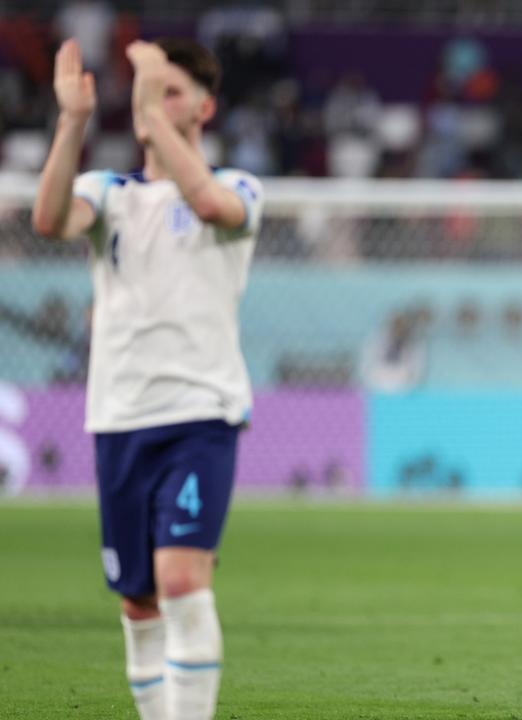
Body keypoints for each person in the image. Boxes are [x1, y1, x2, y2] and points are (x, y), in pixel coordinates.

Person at [31, 37, 263, 720]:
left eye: (170, 92)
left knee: (182, 581)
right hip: (119, 416)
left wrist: (148, 106)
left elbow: (214, 205)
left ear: (205, 106)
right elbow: (47, 220)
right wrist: (73, 120)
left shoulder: (240, 189)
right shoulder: (109, 194)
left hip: (201, 413)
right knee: (138, 600)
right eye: (150, 93)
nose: (153, 103)